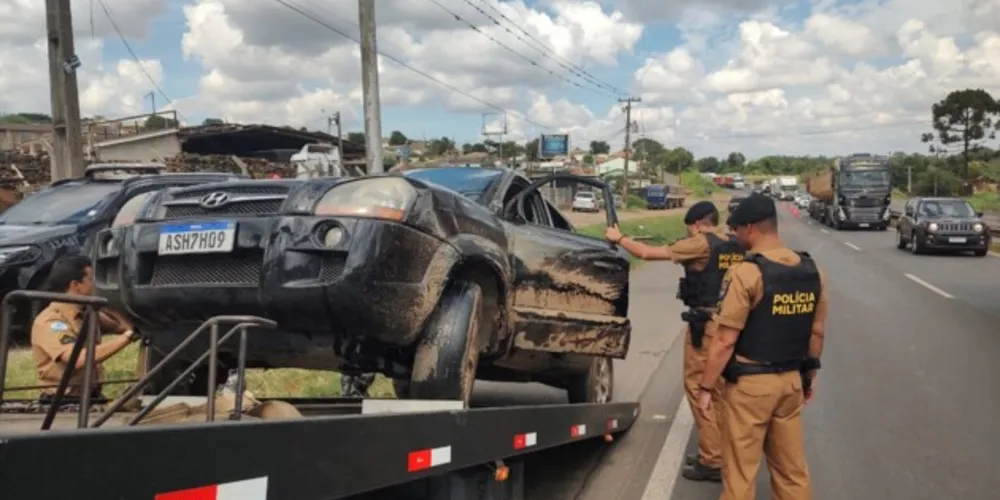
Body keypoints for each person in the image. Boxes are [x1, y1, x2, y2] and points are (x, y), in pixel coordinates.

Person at [695, 193, 828, 500]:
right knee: (792, 472)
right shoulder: (812, 271)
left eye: (738, 230)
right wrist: (808, 375)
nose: (736, 236)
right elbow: (817, 333)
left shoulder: (748, 272)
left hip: (751, 387)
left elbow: (725, 339)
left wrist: (705, 388)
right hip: (791, 384)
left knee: (741, 473)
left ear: (751, 228)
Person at [605, 200, 746, 482]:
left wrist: (618, 238)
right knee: (720, 391)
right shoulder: (734, 243)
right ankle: (717, 450)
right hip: (731, 323)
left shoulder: (700, 244)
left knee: (698, 387)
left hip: (706, 326)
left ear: (696, 225)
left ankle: (712, 461)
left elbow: (646, 253)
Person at [31, 254, 138, 402]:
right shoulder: (50, 320)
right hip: (62, 401)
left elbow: (123, 326)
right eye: (91, 279)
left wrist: (112, 301)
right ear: (76, 285)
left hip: (91, 395)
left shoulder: (88, 312)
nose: (95, 283)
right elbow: (77, 359)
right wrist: (127, 338)